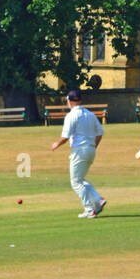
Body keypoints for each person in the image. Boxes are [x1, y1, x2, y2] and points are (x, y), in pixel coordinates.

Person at [50, 90, 106, 219]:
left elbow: (65, 137)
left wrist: (56, 144)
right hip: (91, 150)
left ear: (69, 101)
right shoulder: (90, 114)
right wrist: (92, 146)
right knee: (80, 180)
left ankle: (89, 209)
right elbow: (100, 133)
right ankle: (98, 199)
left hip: (79, 150)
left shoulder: (71, 116)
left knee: (75, 182)